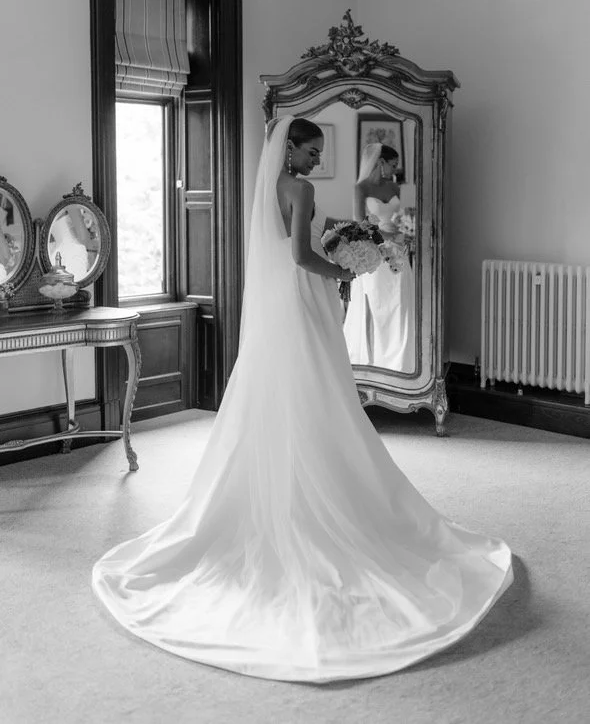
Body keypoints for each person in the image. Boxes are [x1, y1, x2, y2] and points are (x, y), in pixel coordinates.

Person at [92, 115, 512, 683]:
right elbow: (298, 257)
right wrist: (341, 267)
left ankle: (288, 477)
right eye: (312, 152)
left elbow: (285, 247)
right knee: (319, 390)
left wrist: (337, 250)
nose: (317, 162)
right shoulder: (302, 189)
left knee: (283, 390)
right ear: (289, 149)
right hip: (299, 298)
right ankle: (319, 488)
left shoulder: (268, 187)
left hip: (277, 310)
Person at [344, 142, 415, 372]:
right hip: (374, 253)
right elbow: (359, 224)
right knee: (376, 305)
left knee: (400, 304)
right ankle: (375, 363)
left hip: (398, 251)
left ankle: (400, 364)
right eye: (392, 165)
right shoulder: (360, 188)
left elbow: (402, 219)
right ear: (380, 162)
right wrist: (385, 236)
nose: (395, 170)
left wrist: (406, 232)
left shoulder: (396, 189)